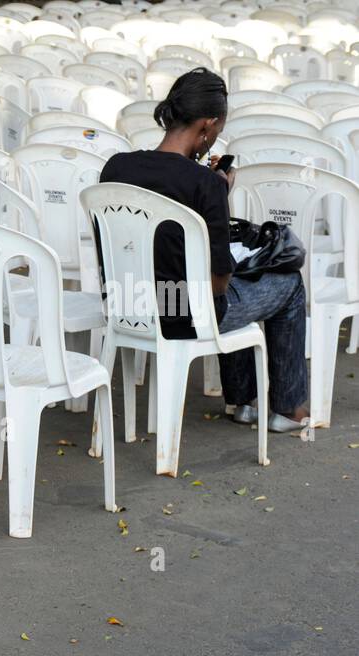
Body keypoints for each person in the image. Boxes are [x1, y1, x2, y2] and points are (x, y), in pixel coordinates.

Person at [99, 67, 309, 432]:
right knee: (285, 284)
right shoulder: (203, 184)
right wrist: (217, 198)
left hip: (126, 301)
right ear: (208, 126)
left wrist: (212, 196)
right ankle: (288, 410)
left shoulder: (116, 167)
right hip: (183, 315)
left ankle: (244, 402)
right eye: (217, 133)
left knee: (234, 276)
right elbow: (217, 285)